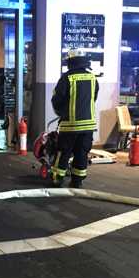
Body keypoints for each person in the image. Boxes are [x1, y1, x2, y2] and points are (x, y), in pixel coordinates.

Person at [50, 54, 99, 188]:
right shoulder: (93, 78)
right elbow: (93, 98)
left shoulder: (66, 78)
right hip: (88, 126)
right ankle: (77, 180)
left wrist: (62, 113)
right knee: (81, 153)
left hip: (70, 125)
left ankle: (58, 178)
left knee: (63, 152)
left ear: (71, 64)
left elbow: (57, 99)